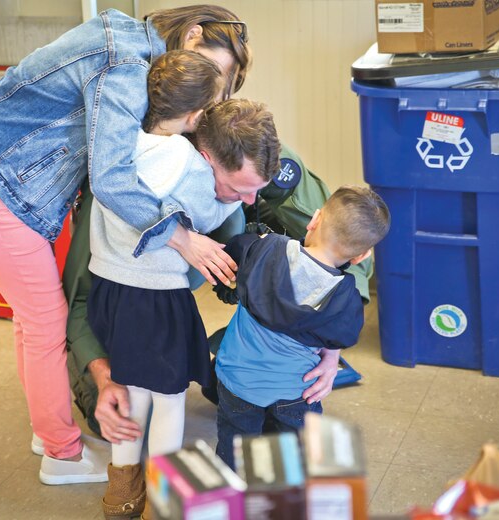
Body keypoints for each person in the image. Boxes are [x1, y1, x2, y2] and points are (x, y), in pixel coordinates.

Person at [0, 5, 250, 486]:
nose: (210, 95)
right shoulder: (126, 64)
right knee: (46, 323)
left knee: (32, 322)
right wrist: (183, 237)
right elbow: (110, 176)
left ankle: (49, 434)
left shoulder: (125, 42)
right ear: (191, 36)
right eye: (214, 71)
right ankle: (61, 457)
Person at [86, 52, 278, 518]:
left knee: (134, 392)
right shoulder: (178, 161)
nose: (249, 200)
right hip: (152, 296)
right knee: (170, 401)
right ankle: (166, 496)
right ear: (207, 153)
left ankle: (122, 494)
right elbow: (203, 211)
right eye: (240, 186)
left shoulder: (146, 142)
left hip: (111, 288)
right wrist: (211, 220)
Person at [64, 144, 358, 439]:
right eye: (235, 187)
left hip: (235, 337)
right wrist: (104, 377)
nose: (250, 198)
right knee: (119, 417)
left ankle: (237, 374)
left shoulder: (253, 151)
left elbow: (347, 239)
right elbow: (80, 297)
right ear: (205, 160)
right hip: (133, 306)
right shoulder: (119, 184)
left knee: (269, 412)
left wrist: (330, 352)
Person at [213, 186, 391, 469]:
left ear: (314, 220)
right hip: (296, 391)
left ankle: (226, 497)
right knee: (294, 457)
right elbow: (343, 335)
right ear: (359, 258)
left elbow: (234, 253)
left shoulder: (265, 248)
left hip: (237, 381)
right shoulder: (345, 296)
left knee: (233, 448)